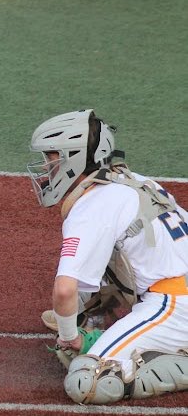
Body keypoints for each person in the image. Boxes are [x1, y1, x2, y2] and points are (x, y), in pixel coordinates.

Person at [28, 109, 188, 404]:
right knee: (85, 306)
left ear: (73, 159)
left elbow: (64, 288)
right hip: (177, 291)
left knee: (87, 380)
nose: (46, 168)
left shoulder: (91, 206)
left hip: (175, 306)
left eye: (51, 159)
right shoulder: (135, 181)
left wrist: (69, 337)